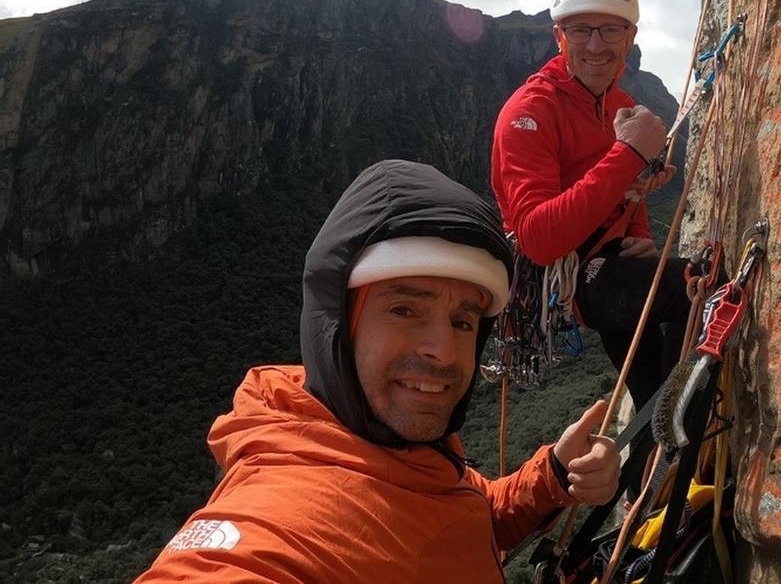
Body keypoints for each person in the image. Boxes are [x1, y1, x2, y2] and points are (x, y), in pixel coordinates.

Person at [137, 160, 619, 582]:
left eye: (462, 321)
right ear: (338, 324)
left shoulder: (397, 449)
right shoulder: (285, 513)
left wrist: (552, 474)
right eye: (405, 310)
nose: (444, 352)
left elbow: (460, 516)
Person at [490, 0, 694, 416]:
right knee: (698, 287)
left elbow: (630, 189)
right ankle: (675, 445)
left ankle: (652, 468)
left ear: (631, 39)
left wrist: (639, 235)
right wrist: (629, 153)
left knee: (648, 384)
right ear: (559, 37)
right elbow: (538, 239)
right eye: (581, 31)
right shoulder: (530, 112)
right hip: (562, 277)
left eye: (611, 31)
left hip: (607, 262)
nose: (596, 45)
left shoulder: (620, 106)